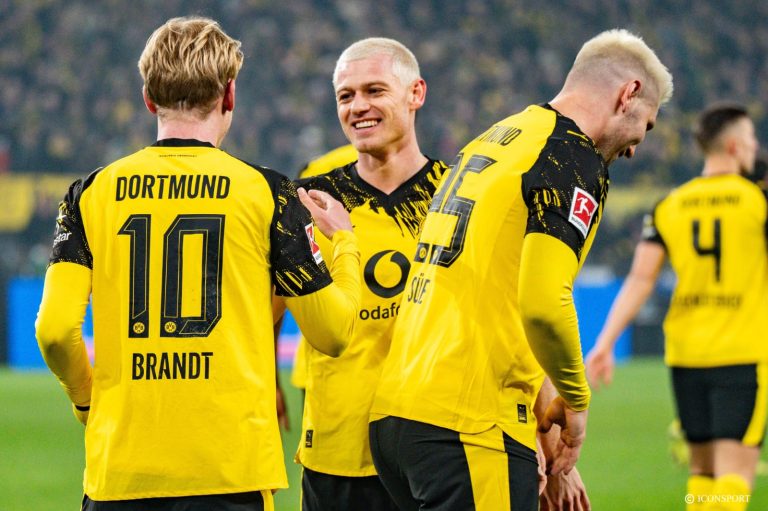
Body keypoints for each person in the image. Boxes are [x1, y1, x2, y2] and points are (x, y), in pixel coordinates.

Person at [34, 16, 363, 510]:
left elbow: (55, 331)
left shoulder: (90, 193)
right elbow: (333, 333)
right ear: (229, 94)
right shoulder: (268, 194)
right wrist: (346, 244)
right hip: (230, 474)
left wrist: (86, 399)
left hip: (121, 472)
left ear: (149, 99)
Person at [369, 28, 673, 511]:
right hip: (467, 424)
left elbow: (498, 297)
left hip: (397, 417)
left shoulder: (499, 138)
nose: (636, 146)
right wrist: (576, 399)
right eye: (648, 124)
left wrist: (541, 432)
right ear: (628, 93)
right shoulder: (572, 156)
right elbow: (543, 306)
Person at [283, 38, 448, 511]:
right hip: (341, 452)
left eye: (374, 90)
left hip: (439, 445)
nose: (358, 106)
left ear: (416, 93)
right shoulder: (308, 202)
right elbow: (269, 307)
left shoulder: (459, 195)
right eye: (346, 95)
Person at [586, 103, 767, 511]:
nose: (755, 148)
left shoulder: (671, 205)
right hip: (742, 352)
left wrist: (605, 342)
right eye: (752, 140)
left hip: (686, 354)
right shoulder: (757, 202)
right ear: (735, 146)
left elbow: (640, 280)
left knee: (702, 475)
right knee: (735, 476)